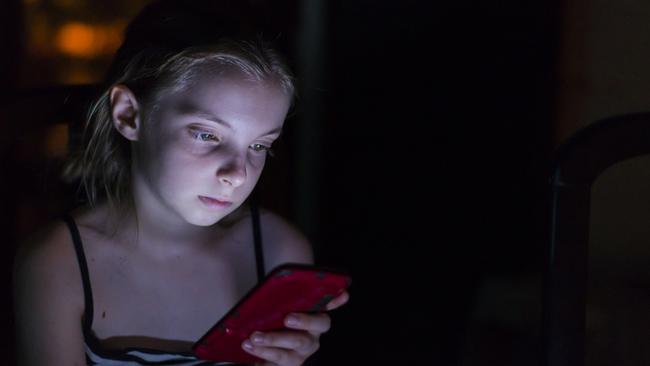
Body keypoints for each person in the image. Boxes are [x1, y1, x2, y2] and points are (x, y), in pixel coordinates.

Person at [12, 1, 349, 365]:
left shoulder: (278, 251)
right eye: (206, 135)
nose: (237, 173)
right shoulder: (58, 264)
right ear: (129, 115)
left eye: (258, 145)